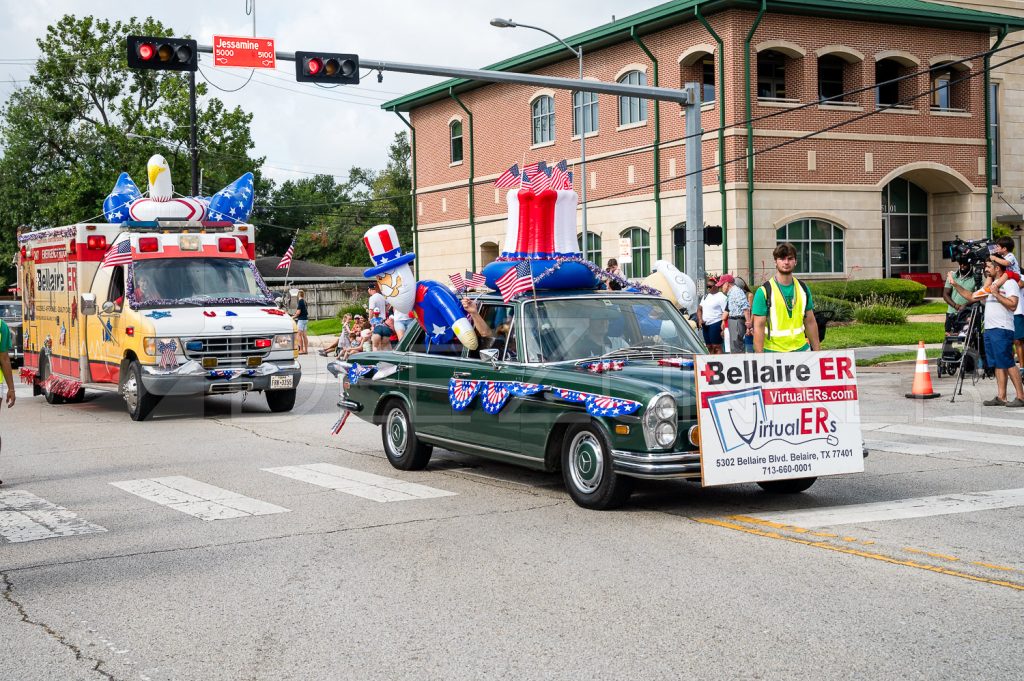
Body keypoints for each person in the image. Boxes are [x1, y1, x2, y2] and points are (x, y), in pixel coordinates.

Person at [949, 258, 1023, 406]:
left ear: (997, 269)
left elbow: (1013, 305)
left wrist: (996, 294)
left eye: (989, 267)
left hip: (1002, 329)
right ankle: (1001, 397)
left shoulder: (1010, 283)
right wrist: (955, 284)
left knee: (1008, 362)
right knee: (998, 364)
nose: (986, 269)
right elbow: (971, 296)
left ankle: (1021, 397)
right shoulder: (990, 286)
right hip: (989, 329)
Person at [753, 242, 820, 353]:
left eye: (790, 258)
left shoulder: (803, 288)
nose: (786, 262)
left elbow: (810, 321)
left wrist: (817, 352)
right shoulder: (763, 291)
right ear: (775, 262)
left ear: (795, 261)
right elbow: (758, 327)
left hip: (801, 351)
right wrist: (759, 358)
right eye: (782, 258)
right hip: (773, 352)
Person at [942, 259, 978, 333]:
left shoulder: (975, 278)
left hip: (967, 313)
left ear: (970, 265)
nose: (962, 266)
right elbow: (945, 295)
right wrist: (956, 306)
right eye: (960, 264)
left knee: (965, 336)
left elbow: (978, 296)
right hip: (951, 312)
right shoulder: (952, 276)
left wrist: (965, 305)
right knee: (949, 336)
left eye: (965, 264)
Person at [0, 316, 16, 486]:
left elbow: (4, 358)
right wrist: (11, 388)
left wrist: (11, 388)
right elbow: (3, 358)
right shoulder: (1, 325)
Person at [718, 274, 751, 354]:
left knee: (737, 347)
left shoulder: (736, 291)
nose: (721, 287)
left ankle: (739, 365)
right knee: (734, 346)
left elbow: (745, 308)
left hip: (737, 320)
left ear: (727, 283)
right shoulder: (732, 292)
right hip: (734, 320)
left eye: (722, 285)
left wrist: (748, 324)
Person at [697, 278, 728, 354]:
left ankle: (719, 362)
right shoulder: (706, 296)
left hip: (716, 323)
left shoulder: (722, 297)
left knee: (716, 346)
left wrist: (723, 327)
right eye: (707, 286)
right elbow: (699, 309)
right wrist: (700, 320)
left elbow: (726, 312)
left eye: (710, 286)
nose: (708, 288)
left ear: (716, 286)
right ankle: (711, 363)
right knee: (709, 346)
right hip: (705, 325)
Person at [292, 289, 309, 354]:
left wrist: (293, 317)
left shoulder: (300, 301)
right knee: (304, 335)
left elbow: (298, 312)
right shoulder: (304, 301)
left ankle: (301, 350)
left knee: (299, 335)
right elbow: (302, 311)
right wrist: (295, 314)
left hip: (301, 320)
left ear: (298, 295)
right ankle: (306, 350)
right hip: (305, 319)